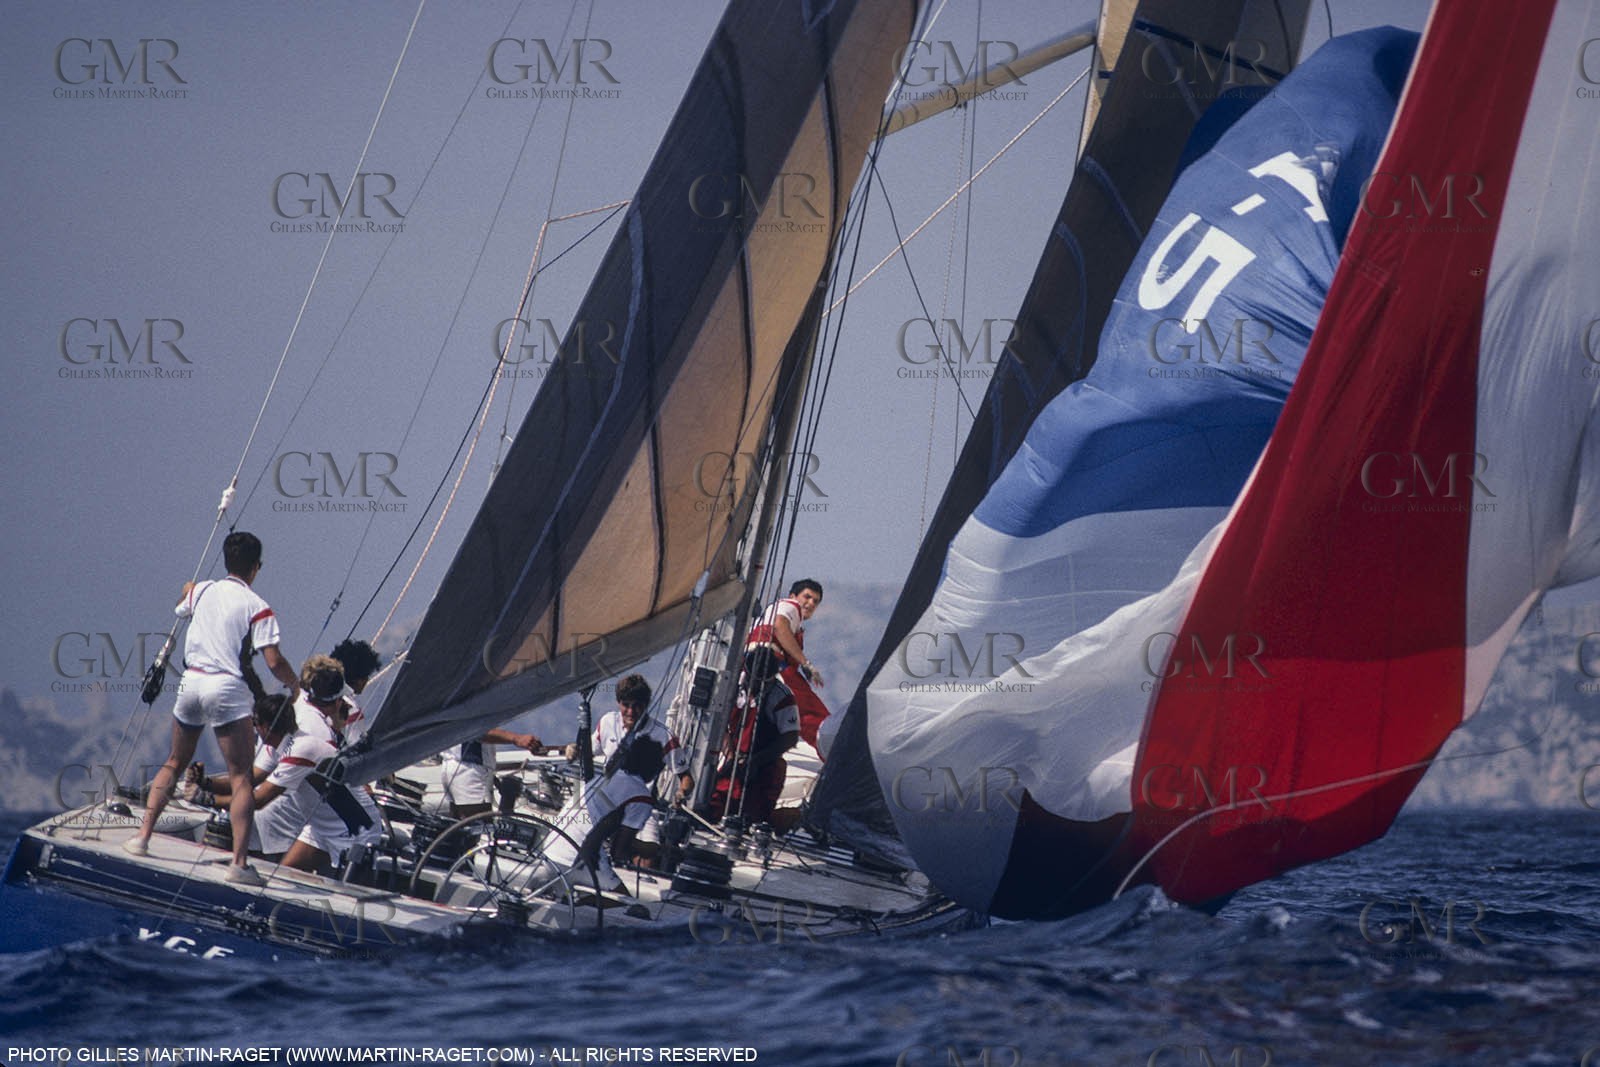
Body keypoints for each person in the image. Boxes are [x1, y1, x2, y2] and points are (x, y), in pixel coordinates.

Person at [125, 531, 297, 885]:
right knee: (241, 777)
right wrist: (295, 686)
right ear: (255, 568)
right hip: (226, 688)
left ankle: (142, 838)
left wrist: (190, 588)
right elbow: (274, 660)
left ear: (225, 561)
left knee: (174, 762)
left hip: (191, 682)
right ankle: (238, 864)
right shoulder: (258, 606)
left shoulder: (201, 590)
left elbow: (182, 601)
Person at [570, 674, 691, 866]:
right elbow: (587, 752)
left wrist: (682, 792)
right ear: (618, 703)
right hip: (607, 799)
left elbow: (685, 777)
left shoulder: (663, 736)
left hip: (641, 805)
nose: (631, 711)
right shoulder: (607, 722)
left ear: (646, 705)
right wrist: (573, 748)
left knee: (647, 860)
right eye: (625, 705)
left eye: (637, 706)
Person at [204, 693, 338, 862]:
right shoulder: (278, 744)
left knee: (285, 873)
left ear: (266, 727)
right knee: (285, 871)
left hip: (339, 827)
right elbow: (247, 781)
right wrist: (206, 783)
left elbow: (259, 800)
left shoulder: (300, 750)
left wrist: (209, 800)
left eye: (255, 723)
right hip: (320, 825)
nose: (254, 728)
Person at [288, 655, 384, 871]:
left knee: (343, 882)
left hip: (342, 818)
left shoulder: (304, 709)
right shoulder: (319, 718)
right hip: (327, 815)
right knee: (290, 869)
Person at [744, 579, 829, 749]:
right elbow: (779, 626)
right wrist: (806, 664)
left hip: (752, 667)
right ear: (793, 596)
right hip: (770, 662)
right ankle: (835, 756)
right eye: (807, 597)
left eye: (816, 601)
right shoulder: (789, 606)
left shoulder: (776, 613)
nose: (810, 603)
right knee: (812, 715)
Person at [708, 670, 800, 825]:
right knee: (715, 804)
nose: (758, 685)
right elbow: (719, 724)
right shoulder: (732, 686)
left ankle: (793, 817)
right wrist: (731, 756)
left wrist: (756, 761)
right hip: (735, 759)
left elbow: (790, 737)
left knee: (754, 817)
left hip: (766, 766)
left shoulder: (782, 695)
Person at [439, 727, 544, 819]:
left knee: (463, 826)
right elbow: (476, 731)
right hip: (470, 770)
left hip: (453, 767)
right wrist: (516, 739)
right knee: (477, 824)